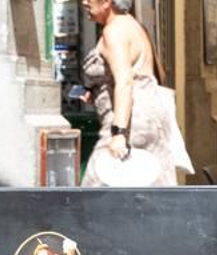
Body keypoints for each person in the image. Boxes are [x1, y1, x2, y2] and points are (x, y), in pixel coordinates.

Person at [80, 0, 192, 186]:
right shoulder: (134, 26)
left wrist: (119, 134)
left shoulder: (114, 31)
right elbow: (149, 75)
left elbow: (125, 81)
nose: (84, 2)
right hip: (150, 118)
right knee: (152, 193)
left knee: (94, 192)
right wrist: (100, 95)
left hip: (131, 123)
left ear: (107, 2)